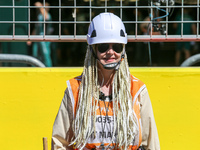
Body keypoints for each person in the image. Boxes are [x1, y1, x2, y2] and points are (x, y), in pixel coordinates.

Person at [52, 12, 160, 150]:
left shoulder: (137, 90)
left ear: (123, 50)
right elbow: (60, 143)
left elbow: (151, 143)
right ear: (93, 50)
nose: (110, 52)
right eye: (103, 47)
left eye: (116, 47)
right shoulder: (75, 90)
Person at [27, 1, 53, 67]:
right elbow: (36, 28)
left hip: (44, 39)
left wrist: (41, 7)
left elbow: (46, 17)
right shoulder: (39, 16)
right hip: (37, 38)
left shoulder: (47, 15)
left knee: (45, 54)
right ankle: (35, 69)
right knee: (35, 54)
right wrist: (30, 38)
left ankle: (48, 68)